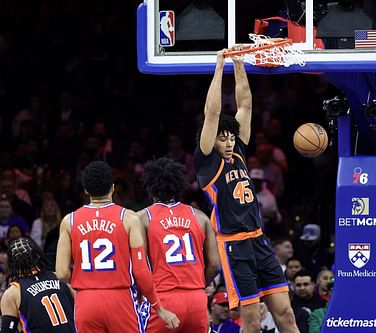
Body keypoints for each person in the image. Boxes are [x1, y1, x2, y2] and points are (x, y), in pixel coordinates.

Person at [194, 50, 298, 333]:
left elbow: (246, 105)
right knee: (251, 322)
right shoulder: (207, 162)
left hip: (259, 240)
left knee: (286, 314)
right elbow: (212, 113)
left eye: (230, 138)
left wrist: (239, 63)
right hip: (234, 245)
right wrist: (220, 66)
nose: (228, 143)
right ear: (210, 140)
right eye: (222, 138)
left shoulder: (237, 153)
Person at [55, 161, 179, 332]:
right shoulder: (128, 218)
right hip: (120, 298)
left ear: (85, 190)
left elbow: (61, 273)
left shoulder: (69, 221)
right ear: (113, 188)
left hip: (86, 300)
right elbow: (141, 271)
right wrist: (158, 308)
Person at [138, 157, 220, 332]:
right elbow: (215, 264)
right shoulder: (200, 217)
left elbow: (140, 266)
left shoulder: (142, 218)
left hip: (162, 300)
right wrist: (198, 286)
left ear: (150, 187)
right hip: (197, 300)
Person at [0, 237, 75, 332]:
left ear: (11, 263)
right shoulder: (58, 276)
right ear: (37, 255)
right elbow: (81, 305)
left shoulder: (12, 293)